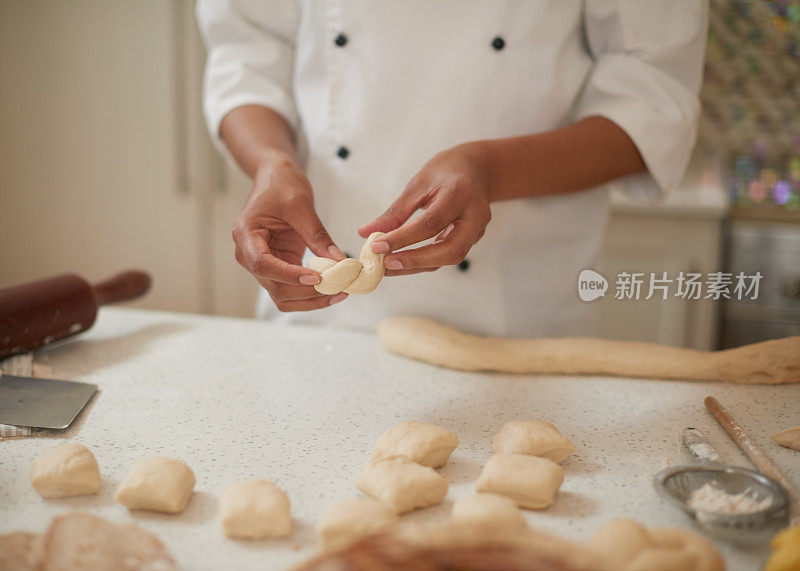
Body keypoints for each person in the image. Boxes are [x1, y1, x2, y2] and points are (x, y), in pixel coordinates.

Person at [196, 0, 707, 337]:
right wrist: (271, 163)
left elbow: (652, 106)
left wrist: (490, 169)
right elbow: (246, 58)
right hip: (320, 317)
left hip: (518, 325)